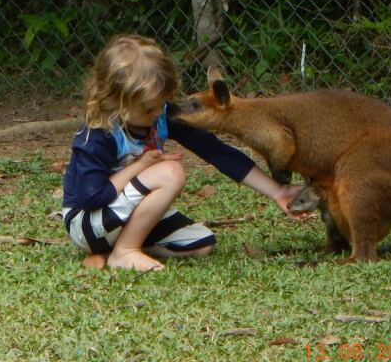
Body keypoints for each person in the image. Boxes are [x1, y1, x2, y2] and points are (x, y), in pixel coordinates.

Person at [62, 34, 304, 272]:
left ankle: (115, 248)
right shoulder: (98, 134)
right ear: (117, 102)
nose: (158, 112)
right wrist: (141, 165)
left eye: (162, 103)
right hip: (87, 223)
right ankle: (124, 251)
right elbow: (90, 198)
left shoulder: (158, 116)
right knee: (170, 173)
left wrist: (278, 191)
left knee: (200, 244)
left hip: (121, 218)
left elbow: (215, 151)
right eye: (149, 108)